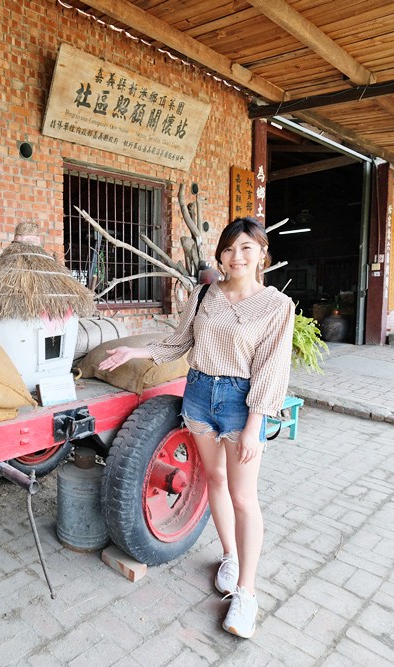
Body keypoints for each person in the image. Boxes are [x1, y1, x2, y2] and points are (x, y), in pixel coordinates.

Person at [98, 217, 295, 639]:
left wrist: (255, 423)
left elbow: (272, 368)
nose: (235, 257)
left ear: (262, 253)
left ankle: (247, 593)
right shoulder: (206, 293)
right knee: (216, 481)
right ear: (220, 255)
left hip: (243, 403)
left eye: (246, 248)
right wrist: (136, 348)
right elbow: (178, 342)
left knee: (245, 496)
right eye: (228, 249)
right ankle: (230, 557)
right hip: (200, 393)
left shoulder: (277, 306)